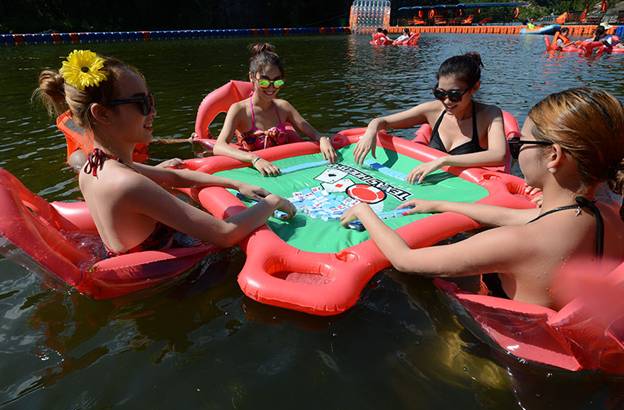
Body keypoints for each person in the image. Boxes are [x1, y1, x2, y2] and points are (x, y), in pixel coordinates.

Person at [342, 87, 624, 309]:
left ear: (554, 156)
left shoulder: (515, 242)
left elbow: (405, 259)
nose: (516, 152)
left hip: (504, 353)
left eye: (520, 144)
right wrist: (440, 204)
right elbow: (518, 217)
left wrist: (365, 211)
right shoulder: (607, 214)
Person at [34, 49, 296, 255]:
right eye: (142, 103)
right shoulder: (127, 183)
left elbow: (175, 178)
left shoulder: (98, 166)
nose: (153, 112)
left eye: (152, 100)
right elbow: (225, 233)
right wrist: (272, 202)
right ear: (102, 114)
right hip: (175, 287)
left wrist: (235, 182)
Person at [353, 52, 507, 183]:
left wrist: (443, 160)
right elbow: (383, 121)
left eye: (454, 95)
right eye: (440, 93)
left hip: (465, 189)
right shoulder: (432, 110)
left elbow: (498, 155)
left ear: (475, 88)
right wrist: (371, 131)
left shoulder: (489, 115)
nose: (446, 101)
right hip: (432, 187)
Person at [213, 43, 336, 177]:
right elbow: (219, 147)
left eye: (277, 82)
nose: (271, 88)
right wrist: (254, 159)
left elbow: (314, 133)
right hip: (259, 172)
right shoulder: (239, 110)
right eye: (264, 82)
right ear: (252, 77)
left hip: (284, 170)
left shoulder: (284, 107)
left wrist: (323, 139)